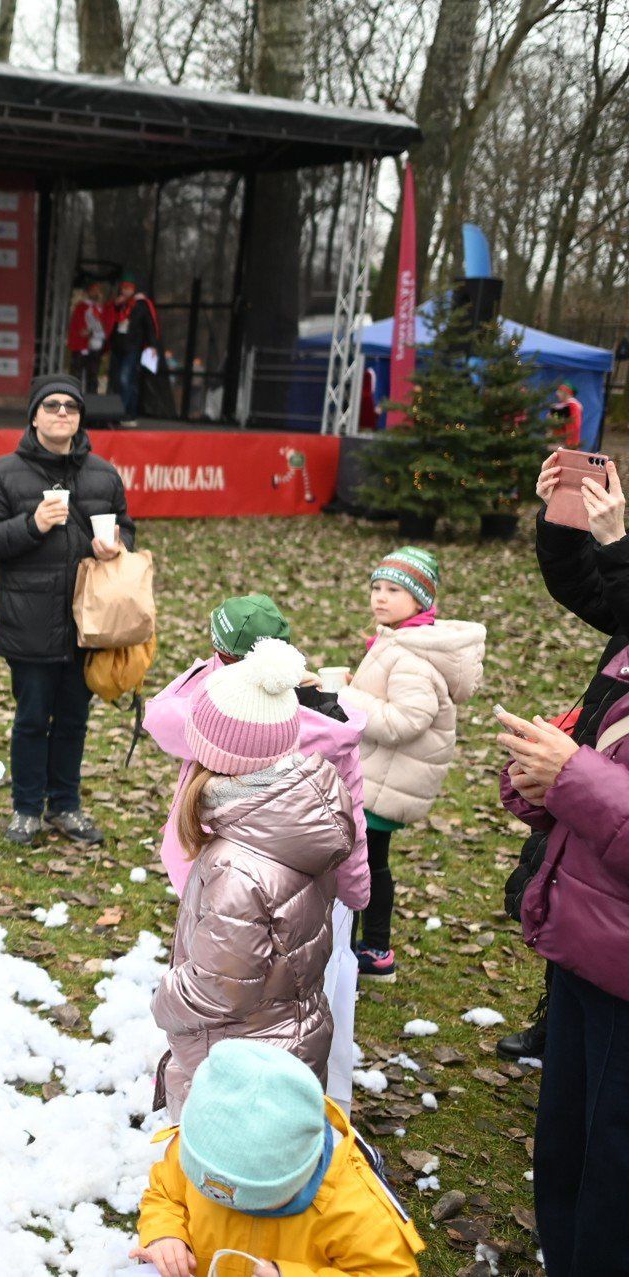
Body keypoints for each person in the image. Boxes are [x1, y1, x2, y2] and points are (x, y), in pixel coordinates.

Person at [143, 594, 373, 1108]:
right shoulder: (311, 776)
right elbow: (353, 821)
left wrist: (163, 1004)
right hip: (291, 1019)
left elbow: (216, 988)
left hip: (234, 1068)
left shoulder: (232, 868)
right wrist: (356, 895)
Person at [0, 375, 133, 847]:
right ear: (34, 415)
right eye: (52, 406)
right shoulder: (2, 473)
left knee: (74, 720)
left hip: (89, 624)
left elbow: (128, 531)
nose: (62, 413)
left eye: (71, 407)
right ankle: (25, 809)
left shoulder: (103, 474)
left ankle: (66, 805)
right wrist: (31, 525)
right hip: (29, 621)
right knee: (33, 719)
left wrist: (114, 546)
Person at [500, 452, 629, 1060]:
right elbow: (588, 590)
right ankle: (560, 1022)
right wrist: (561, 521)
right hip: (601, 759)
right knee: (577, 885)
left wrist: (616, 541)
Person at [499, 687, 629, 1276]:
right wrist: (538, 782)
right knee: (567, 1144)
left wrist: (572, 775)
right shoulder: (622, 661)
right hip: (584, 946)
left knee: (612, 1164)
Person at [130, 1040, 424, 1277]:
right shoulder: (199, 1144)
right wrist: (164, 1235)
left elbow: (391, 1271)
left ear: (299, 1177)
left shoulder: (353, 1205)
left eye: (258, 1203)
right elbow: (165, 1195)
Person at [342, 548, 485, 982]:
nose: (380, 598)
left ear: (421, 600)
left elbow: (406, 720)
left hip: (386, 781)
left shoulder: (411, 656)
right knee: (368, 861)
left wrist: (348, 699)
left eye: (394, 590)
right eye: (376, 588)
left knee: (362, 865)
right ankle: (368, 947)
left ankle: (364, 951)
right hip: (381, 773)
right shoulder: (400, 639)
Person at [107, 275, 160, 425]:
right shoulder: (119, 304)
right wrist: (115, 306)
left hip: (132, 346)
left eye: (128, 288)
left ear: (133, 289)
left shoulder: (141, 304)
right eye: (123, 288)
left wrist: (152, 345)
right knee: (120, 380)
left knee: (126, 379)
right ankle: (125, 413)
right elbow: (109, 321)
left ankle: (122, 413)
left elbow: (150, 325)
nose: (125, 291)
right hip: (118, 345)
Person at [66, 282, 108, 393]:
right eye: (94, 290)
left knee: (93, 373)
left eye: (98, 290)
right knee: (77, 372)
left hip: (95, 346)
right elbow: (81, 329)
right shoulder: (82, 307)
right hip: (81, 345)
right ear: (89, 292)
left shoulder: (101, 309)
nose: (96, 293)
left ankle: (91, 397)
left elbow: (104, 323)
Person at [550, 383, 585, 449]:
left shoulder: (572, 405)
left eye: (560, 391)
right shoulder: (566, 405)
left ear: (566, 393)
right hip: (565, 442)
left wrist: (553, 415)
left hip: (566, 443)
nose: (557, 393)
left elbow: (556, 421)